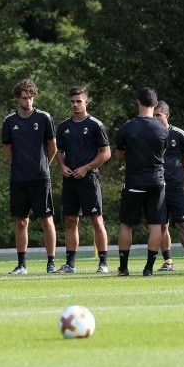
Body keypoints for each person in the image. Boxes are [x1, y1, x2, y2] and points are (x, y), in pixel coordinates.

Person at [2, 79, 58, 275]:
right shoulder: (9, 121)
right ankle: (21, 265)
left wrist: (43, 166)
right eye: (24, 98)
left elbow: (52, 147)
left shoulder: (44, 117)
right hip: (19, 179)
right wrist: (18, 166)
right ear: (17, 98)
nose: (28, 101)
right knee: (21, 221)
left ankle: (51, 263)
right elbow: (8, 149)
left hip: (41, 178)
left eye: (31, 97)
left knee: (46, 220)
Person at [55, 86, 111, 274]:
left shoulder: (96, 125)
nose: (75, 104)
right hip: (70, 180)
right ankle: (70, 264)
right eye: (72, 101)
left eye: (79, 101)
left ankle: (103, 262)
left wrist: (86, 168)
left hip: (88, 179)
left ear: (86, 102)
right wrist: (62, 166)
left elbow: (106, 153)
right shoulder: (63, 127)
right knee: (71, 221)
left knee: (96, 220)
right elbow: (59, 151)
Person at [114, 87, 168, 277]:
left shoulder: (127, 127)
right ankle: (149, 268)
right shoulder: (162, 128)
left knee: (126, 224)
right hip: (157, 182)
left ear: (138, 102)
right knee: (155, 224)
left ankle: (124, 268)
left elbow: (120, 154)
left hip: (134, 182)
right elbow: (163, 152)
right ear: (155, 104)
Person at [152, 100, 184, 272]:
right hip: (156, 186)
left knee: (182, 223)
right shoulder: (149, 134)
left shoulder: (180, 135)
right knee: (161, 225)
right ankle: (168, 262)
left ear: (167, 115)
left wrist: (178, 174)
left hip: (175, 186)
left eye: (158, 115)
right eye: (153, 115)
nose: (155, 118)